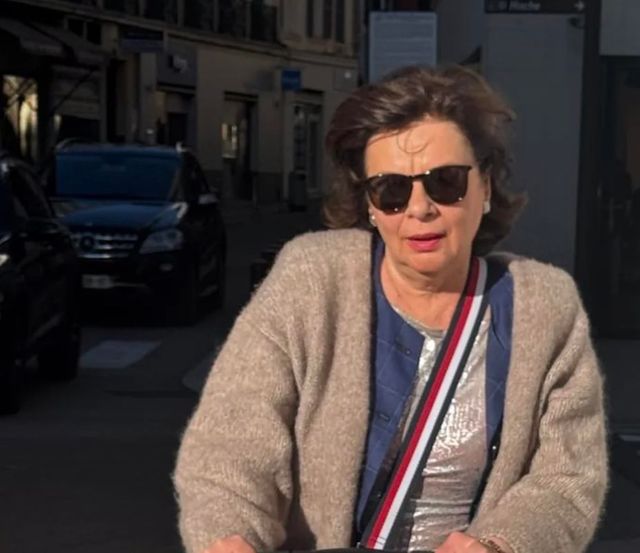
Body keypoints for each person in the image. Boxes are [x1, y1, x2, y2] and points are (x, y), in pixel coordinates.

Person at [173, 65, 608, 553]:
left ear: (485, 186)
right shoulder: (312, 280)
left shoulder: (544, 307)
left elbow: (568, 478)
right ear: (370, 205)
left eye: (445, 182)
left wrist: (500, 544)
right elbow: (230, 443)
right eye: (392, 190)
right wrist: (231, 535)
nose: (420, 208)